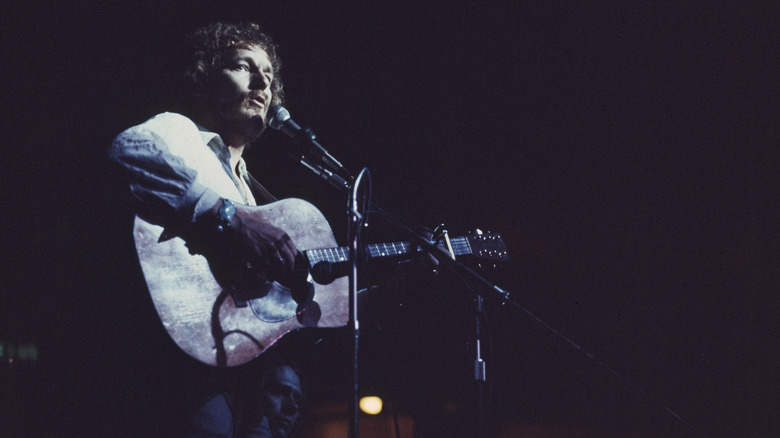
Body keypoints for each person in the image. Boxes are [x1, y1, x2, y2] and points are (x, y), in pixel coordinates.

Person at [109, 22, 303, 437]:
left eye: (268, 76)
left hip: (248, 386)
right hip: (183, 379)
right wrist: (230, 219)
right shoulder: (181, 135)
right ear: (203, 81)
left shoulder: (252, 191)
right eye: (242, 67)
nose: (261, 83)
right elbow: (128, 151)